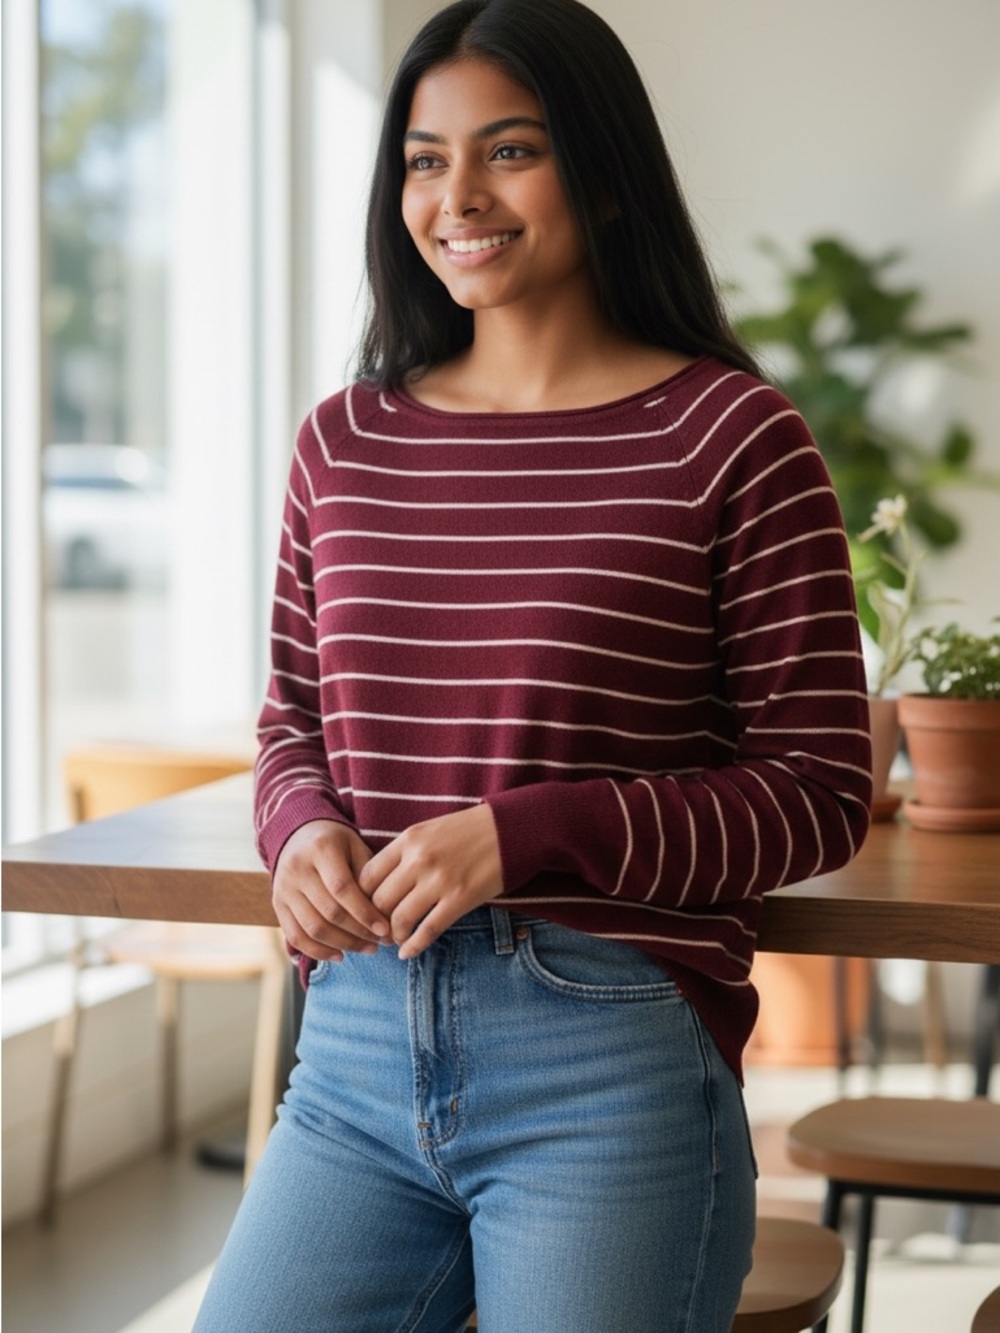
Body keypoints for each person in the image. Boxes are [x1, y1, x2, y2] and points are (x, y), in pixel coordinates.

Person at [194, 1, 872, 1329]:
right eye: (424, 159)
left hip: (607, 1064)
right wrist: (300, 829)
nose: (458, 195)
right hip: (352, 1043)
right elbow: (291, 720)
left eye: (509, 150)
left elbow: (819, 788)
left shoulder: (734, 437)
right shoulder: (345, 441)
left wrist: (526, 834)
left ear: (608, 177)